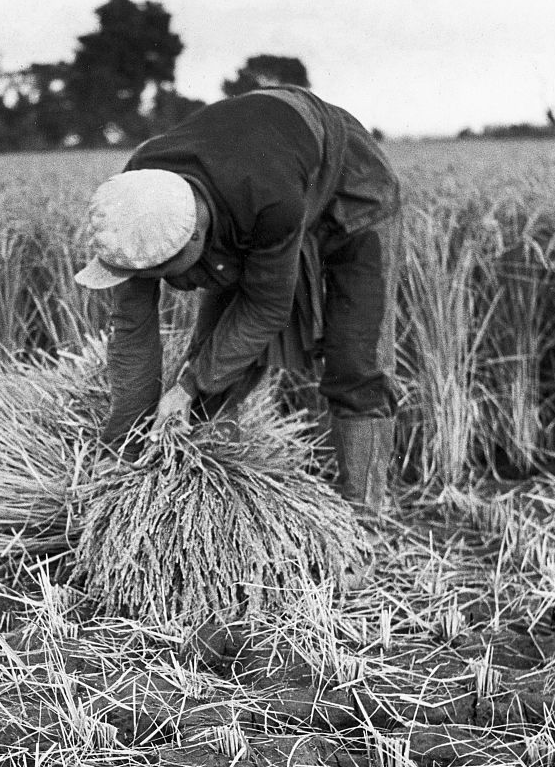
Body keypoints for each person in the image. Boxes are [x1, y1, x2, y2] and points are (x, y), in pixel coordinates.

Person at [74, 85, 401, 509]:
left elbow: (266, 309)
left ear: (194, 241)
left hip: (352, 191)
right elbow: (132, 329)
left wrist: (188, 385)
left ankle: (365, 516)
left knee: (357, 360)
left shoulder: (269, 202)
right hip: (257, 181)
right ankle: (199, 484)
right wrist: (124, 444)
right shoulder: (139, 198)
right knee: (212, 357)